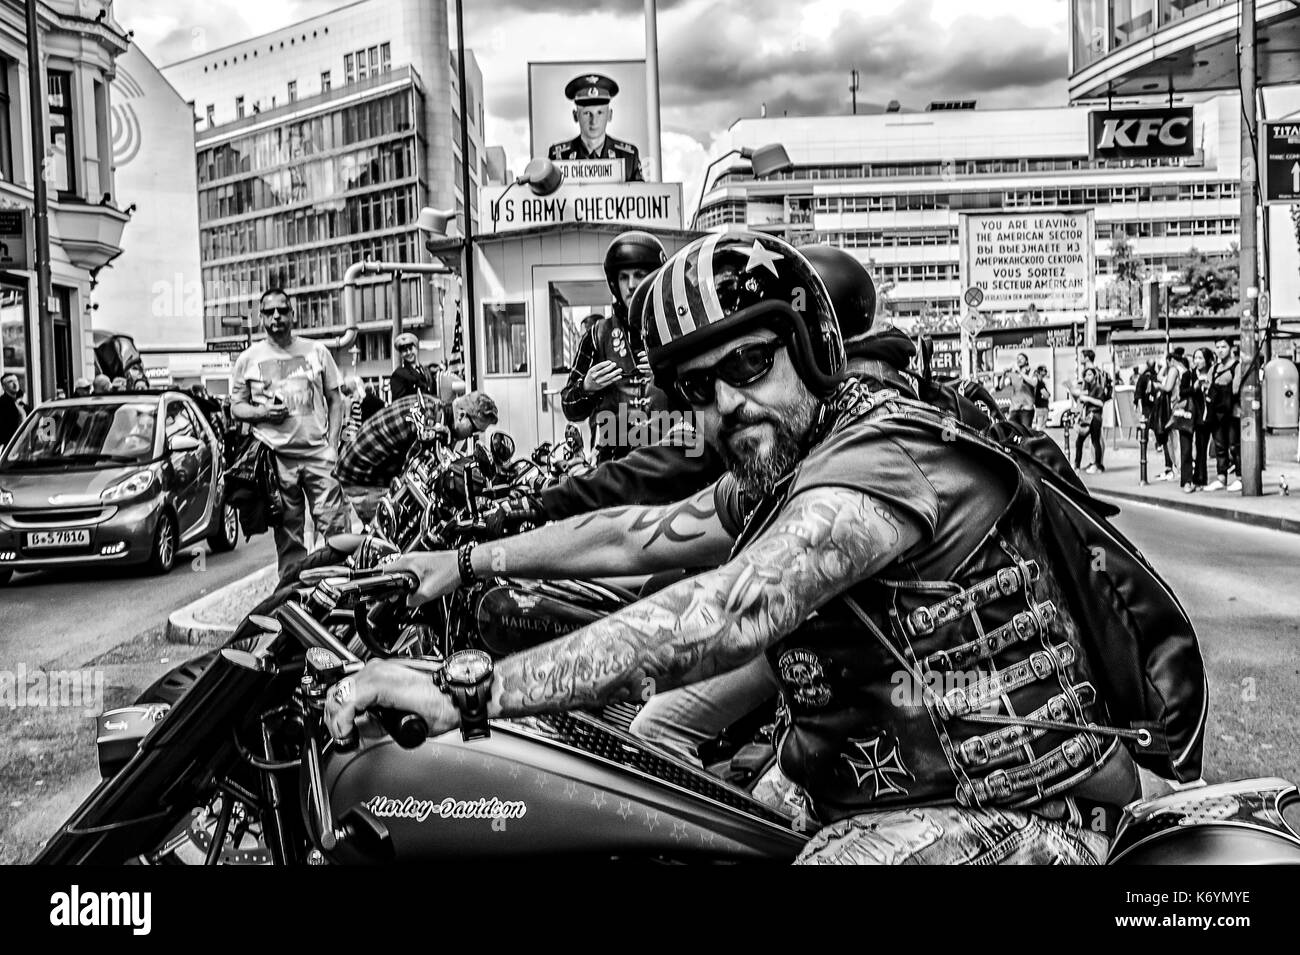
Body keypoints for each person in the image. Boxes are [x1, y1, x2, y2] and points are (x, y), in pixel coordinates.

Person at [330, 232, 1143, 865]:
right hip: (861, 794)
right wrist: (466, 562)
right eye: (698, 384)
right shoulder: (789, 461)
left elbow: (733, 610)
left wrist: (466, 692)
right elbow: (635, 531)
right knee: (664, 827)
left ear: (813, 347)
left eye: (751, 362)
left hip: (1013, 819)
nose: (726, 401)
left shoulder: (880, 454)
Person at [231, 287, 349, 579]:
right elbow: (237, 407)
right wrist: (263, 413)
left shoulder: (317, 351)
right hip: (277, 460)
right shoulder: (248, 359)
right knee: (289, 535)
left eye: (282, 311)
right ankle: (293, 597)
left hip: (318, 455)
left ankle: (341, 585)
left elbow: (336, 400)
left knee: (336, 527)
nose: (276, 317)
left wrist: (332, 445)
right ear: (261, 318)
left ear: (292, 314)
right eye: (269, 312)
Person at [561, 231, 668, 463]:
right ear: (614, 283)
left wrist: (667, 374)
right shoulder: (597, 335)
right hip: (615, 467)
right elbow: (569, 406)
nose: (631, 285)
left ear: (654, 277)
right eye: (623, 277)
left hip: (669, 462)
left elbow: (705, 398)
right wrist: (586, 387)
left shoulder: (675, 328)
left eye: (639, 275)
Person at [335, 390, 499, 525]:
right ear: (462, 416)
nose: (471, 436)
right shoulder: (432, 423)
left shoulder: (435, 407)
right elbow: (412, 475)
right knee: (395, 530)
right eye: (474, 430)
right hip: (360, 477)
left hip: (361, 469)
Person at [547, 73, 644, 182]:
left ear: (609, 115)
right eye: (587, 113)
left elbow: (639, 196)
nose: (594, 121)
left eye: (600, 112)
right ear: (575, 116)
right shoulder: (559, 156)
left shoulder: (628, 157)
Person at [1207, 338, 1242, 491]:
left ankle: (1241, 477)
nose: (1220, 350)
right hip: (1217, 413)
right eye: (1218, 347)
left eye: (1224, 346)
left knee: (1234, 446)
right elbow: (1209, 386)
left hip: (1233, 412)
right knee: (1220, 446)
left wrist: (1218, 387)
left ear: (1231, 348)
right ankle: (1221, 478)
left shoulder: (1237, 366)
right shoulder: (1214, 368)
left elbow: (1235, 388)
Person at [1069, 366, 1107, 473]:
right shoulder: (1086, 388)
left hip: (1095, 416)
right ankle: (1077, 464)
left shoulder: (1098, 387)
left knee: (1095, 440)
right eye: (1086, 375)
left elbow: (1100, 403)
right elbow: (1080, 403)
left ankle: (1098, 465)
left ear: (1095, 375)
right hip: (1087, 417)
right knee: (1079, 441)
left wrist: (1088, 399)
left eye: (1090, 374)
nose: (1087, 377)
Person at [1004, 352, 1036, 431]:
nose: (1019, 360)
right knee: (1011, 431)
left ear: (1026, 361)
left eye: (1021, 358)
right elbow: (1003, 385)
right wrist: (1004, 374)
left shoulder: (1032, 371)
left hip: (1026, 409)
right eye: (1017, 358)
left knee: (1025, 432)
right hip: (1014, 408)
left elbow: (1034, 383)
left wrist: (1020, 373)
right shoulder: (1013, 373)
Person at [1134, 359, 1157, 446]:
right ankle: (1145, 441)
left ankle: (1156, 442)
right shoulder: (1144, 377)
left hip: (1154, 403)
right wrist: (1138, 405)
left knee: (1154, 423)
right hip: (1146, 404)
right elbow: (1139, 392)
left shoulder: (1155, 375)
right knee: (1146, 424)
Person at [0, 373, 24, 445]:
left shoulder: (22, 404)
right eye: (10, 381)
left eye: (16, 380)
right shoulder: (1, 404)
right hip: (10, 446)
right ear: (4, 387)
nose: (15, 383)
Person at [1032, 366, 1051, 431]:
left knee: (1040, 426)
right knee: (1040, 427)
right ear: (1040, 372)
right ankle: (1038, 440)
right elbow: (1046, 395)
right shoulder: (1039, 383)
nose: (1046, 372)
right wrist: (1048, 394)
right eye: (1044, 370)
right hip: (1041, 407)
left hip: (1040, 407)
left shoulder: (1039, 382)